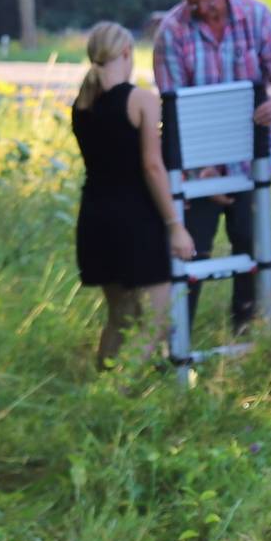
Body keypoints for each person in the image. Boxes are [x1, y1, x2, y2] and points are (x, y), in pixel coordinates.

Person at [150, 0, 271, 333]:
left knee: (251, 246)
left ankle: (245, 340)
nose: (203, 9)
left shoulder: (257, 16)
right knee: (192, 252)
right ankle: (179, 345)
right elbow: (174, 113)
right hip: (199, 169)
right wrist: (204, 173)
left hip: (251, 162)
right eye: (193, 1)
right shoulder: (171, 33)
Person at [70, 21, 197, 369]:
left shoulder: (81, 104)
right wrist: (174, 225)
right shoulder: (141, 100)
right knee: (157, 323)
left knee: (119, 318)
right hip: (135, 222)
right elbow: (152, 167)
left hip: (95, 219)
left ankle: (103, 393)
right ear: (127, 53)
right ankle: (118, 396)